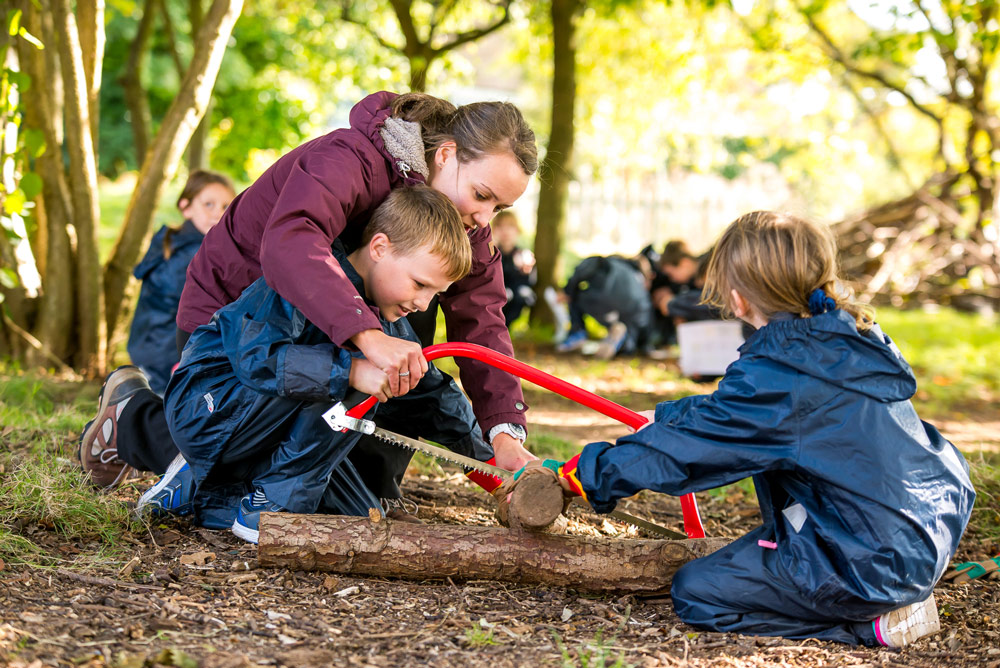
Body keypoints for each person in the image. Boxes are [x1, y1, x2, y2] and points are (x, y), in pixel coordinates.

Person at [506, 211, 975, 647]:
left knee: (698, 592)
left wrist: (581, 476)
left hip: (872, 555)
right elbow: (737, 412)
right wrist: (665, 417)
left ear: (736, 297)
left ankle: (869, 626)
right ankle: (878, 592)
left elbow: (684, 454)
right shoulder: (841, 340)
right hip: (927, 522)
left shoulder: (781, 373)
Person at [79, 91, 539, 502]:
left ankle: (363, 475)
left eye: (498, 207)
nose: (483, 216)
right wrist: (367, 336)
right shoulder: (351, 158)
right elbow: (292, 240)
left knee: (410, 298)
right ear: (447, 153)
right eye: (482, 194)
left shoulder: (465, 224)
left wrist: (502, 430)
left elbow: (483, 322)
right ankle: (134, 420)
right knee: (238, 455)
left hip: (323, 332)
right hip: (238, 325)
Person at [137, 186, 496, 543]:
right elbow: (256, 358)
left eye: (434, 294)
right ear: (379, 248)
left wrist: (495, 464)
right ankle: (271, 504)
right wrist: (352, 372)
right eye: (419, 284)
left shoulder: (389, 322)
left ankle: (206, 488)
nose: (422, 303)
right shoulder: (307, 279)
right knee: (356, 374)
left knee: (360, 518)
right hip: (209, 404)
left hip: (257, 421)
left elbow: (431, 394)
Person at [127, 170, 236, 395]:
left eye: (225, 206)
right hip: (164, 356)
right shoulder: (193, 254)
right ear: (186, 207)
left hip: (147, 347)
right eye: (209, 204)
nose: (218, 213)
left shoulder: (176, 241)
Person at [555, 253, 653, 360]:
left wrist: (568, 290)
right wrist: (645, 344)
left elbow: (591, 263)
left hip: (602, 298)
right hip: (631, 309)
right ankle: (623, 343)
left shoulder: (614, 263)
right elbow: (644, 318)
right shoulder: (640, 287)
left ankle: (577, 332)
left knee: (574, 295)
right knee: (628, 331)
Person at [491, 210, 536, 326]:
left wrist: (524, 270)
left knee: (519, 294)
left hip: (515, 296)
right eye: (500, 226)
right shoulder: (491, 254)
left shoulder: (522, 254)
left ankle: (505, 327)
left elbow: (528, 283)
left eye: (510, 226)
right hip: (496, 295)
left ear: (517, 230)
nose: (505, 231)